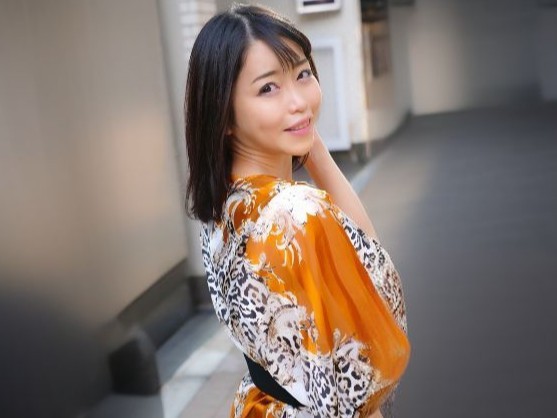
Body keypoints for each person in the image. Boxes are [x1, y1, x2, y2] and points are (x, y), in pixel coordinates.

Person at [184, 4, 410, 418]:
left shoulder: (226, 204)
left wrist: (311, 144)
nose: (298, 101)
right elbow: (373, 288)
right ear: (224, 112)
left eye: (303, 74)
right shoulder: (296, 213)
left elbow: (362, 255)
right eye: (268, 88)